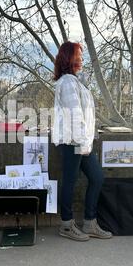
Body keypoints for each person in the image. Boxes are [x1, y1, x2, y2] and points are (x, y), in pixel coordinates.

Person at [52, 41, 112, 241]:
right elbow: (75, 115)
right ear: (70, 57)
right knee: (70, 180)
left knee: (96, 177)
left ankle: (89, 223)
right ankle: (67, 225)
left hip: (80, 141)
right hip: (73, 141)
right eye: (79, 55)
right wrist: (84, 144)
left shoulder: (74, 81)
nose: (82, 59)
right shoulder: (68, 82)